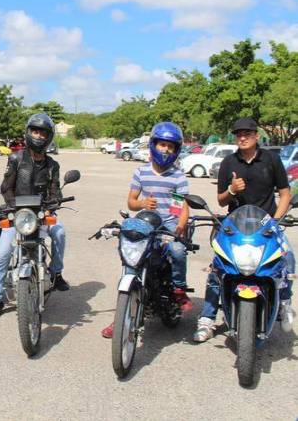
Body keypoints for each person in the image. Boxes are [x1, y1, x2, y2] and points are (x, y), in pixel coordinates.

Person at [193, 118, 295, 341]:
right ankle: (207, 319)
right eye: (238, 133)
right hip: (235, 227)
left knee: (287, 260)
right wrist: (231, 189)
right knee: (218, 269)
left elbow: (285, 193)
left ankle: (286, 302)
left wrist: (276, 222)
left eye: (247, 133)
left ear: (256, 135)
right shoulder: (229, 162)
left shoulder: (272, 159)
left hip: (267, 225)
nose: (243, 137)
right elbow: (221, 201)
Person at [102, 122, 191, 338]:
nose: (165, 150)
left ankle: (179, 289)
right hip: (144, 221)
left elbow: (182, 207)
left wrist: (180, 227)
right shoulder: (141, 172)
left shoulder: (177, 176)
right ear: (153, 145)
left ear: (176, 149)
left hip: (168, 223)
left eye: (170, 146)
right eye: (162, 145)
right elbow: (131, 202)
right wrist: (142, 204)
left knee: (178, 251)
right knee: (130, 258)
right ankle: (122, 317)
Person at [0, 113, 69, 320]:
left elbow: (55, 192)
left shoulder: (52, 166)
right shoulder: (15, 158)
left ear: (49, 136)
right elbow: (6, 188)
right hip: (18, 216)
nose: (38, 135)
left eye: (43, 132)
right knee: (4, 252)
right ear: (28, 132)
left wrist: (52, 206)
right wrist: (13, 208)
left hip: (41, 215)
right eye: (35, 130)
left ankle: (56, 273)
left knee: (59, 233)